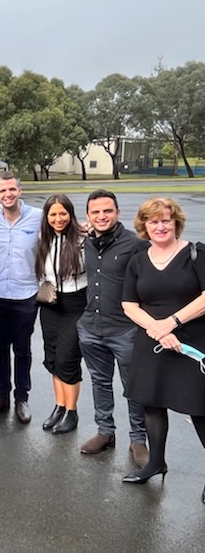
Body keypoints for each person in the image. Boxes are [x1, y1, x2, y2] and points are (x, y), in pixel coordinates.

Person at [120, 197, 205, 497]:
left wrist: (171, 322)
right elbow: (129, 304)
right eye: (153, 221)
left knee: (199, 407)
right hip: (151, 342)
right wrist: (156, 330)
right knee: (151, 403)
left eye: (165, 220)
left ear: (176, 222)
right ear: (144, 225)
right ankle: (155, 463)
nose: (160, 226)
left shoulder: (196, 253)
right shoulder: (138, 260)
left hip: (190, 342)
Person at [77, 190, 149, 465]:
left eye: (107, 211)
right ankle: (105, 432)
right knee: (100, 383)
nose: (101, 216)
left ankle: (138, 439)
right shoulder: (87, 242)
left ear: (118, 213)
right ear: (88, 216)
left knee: (133, 386)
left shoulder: (135, 244)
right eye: (95, 212)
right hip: (91, 328)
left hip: (125, 330)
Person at [0, 171, 42, 423]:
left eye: (12, 189)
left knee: (23, 349)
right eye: (2, 191)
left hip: (26, 295)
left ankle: (22, 398)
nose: (8, 194)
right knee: (0, 349)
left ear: (20, 190)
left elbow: (65, 230)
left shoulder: (37, 217)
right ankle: (2, 397)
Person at [35, 195, 87, 435]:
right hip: (50, 304)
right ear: (47, 217)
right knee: (53, 358)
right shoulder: (43, 239)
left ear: (71, 214)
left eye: (63, 213)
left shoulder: (84, 239)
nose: (58, 219)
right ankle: (59, 406)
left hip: (75, 305)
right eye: (53, 214)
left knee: (68, 359)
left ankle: (71, 411)